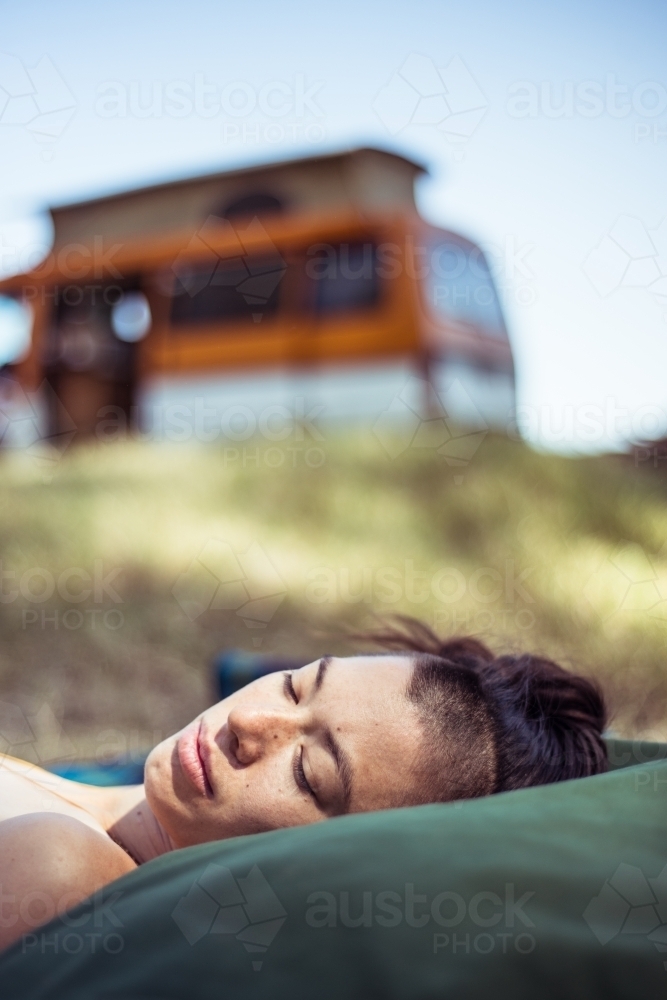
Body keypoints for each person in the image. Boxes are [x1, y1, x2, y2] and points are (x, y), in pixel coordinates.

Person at [0, 618, 608, 952]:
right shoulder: (83, 802)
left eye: (306, 773)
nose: (247, 722)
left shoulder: (61, 869)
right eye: (295, 685)